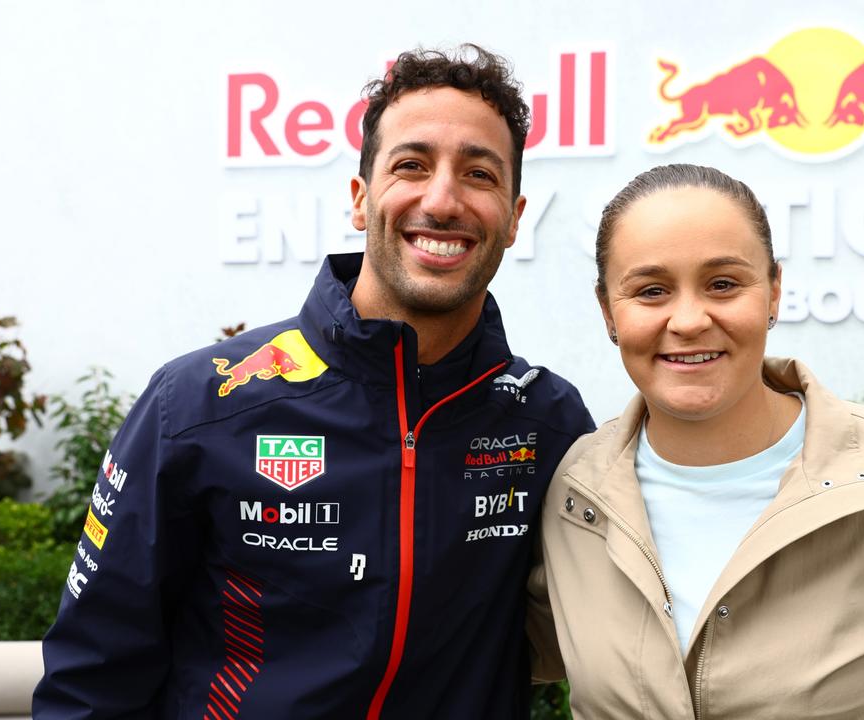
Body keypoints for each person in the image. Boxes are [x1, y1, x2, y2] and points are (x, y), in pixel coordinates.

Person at [34, 45, 593, 719]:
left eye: (479, 174)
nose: (442, 200)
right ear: (360, 201)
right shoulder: (198, 405)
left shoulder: (548, 424)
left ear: (513, 217)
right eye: (411, 165)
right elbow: (92, 677)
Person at [528, 164, 864, 718]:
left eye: (723, 284)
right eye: (651, 290)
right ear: (607, 312)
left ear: (774, 293)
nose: (689, 319)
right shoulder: (574, 495)